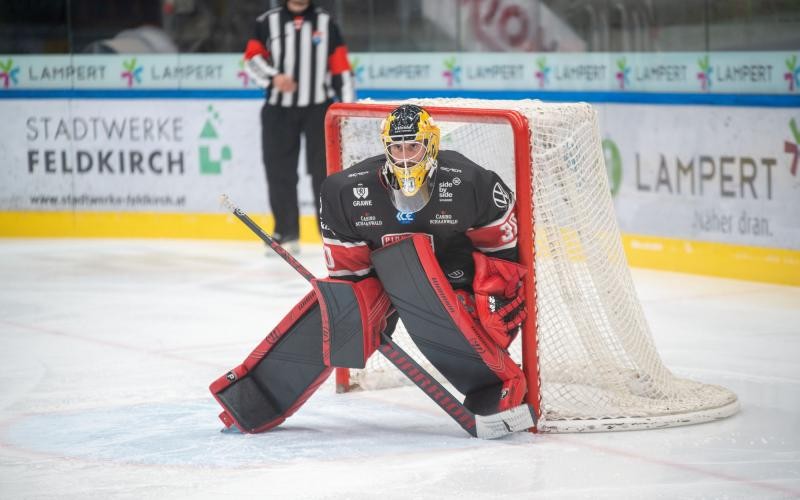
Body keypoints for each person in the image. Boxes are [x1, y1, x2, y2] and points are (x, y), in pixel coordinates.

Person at [318, 104, 528, 415]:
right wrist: (356, 314)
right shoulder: (347, 191)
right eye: (396, 147)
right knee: (344, 317)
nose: (404, 157)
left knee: (488, 316)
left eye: (413, 146)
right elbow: (349, 271)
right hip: (385, 278)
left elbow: (502, 258)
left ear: (431, 144)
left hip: (456, 276)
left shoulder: (471, 183)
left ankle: (492, 377)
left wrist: (493, 297)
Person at [243, 0, 355, 249]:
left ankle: (329, 232)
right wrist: (274, 78)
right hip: (278, 110)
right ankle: (286, 231)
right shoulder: (266, 22)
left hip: (319, 109)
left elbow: (341, 69)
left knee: (324, 173)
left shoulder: (326, 23)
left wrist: (347, 110)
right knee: (279, 172)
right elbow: (251, 59)